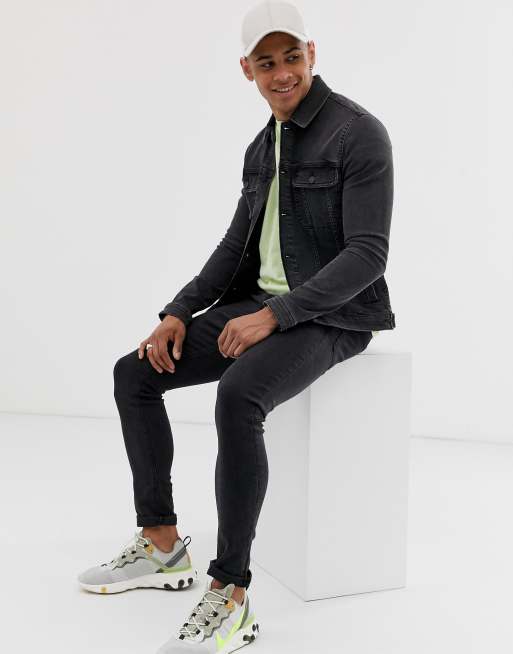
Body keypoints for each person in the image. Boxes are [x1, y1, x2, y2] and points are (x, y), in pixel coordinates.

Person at [77, 1, 396, 651]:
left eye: (292, 57)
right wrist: (177, 311)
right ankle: (161, 544)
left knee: (239, 394)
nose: (282, 73)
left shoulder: (357, 133)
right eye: (266, 62)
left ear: (312, 55)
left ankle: (230, 593)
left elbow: (368, 254)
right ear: (246, 69)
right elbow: (234, 246)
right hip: (261, 305)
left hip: (335, 315)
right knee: (134, 374)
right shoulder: (262, 146)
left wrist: (275, 315)